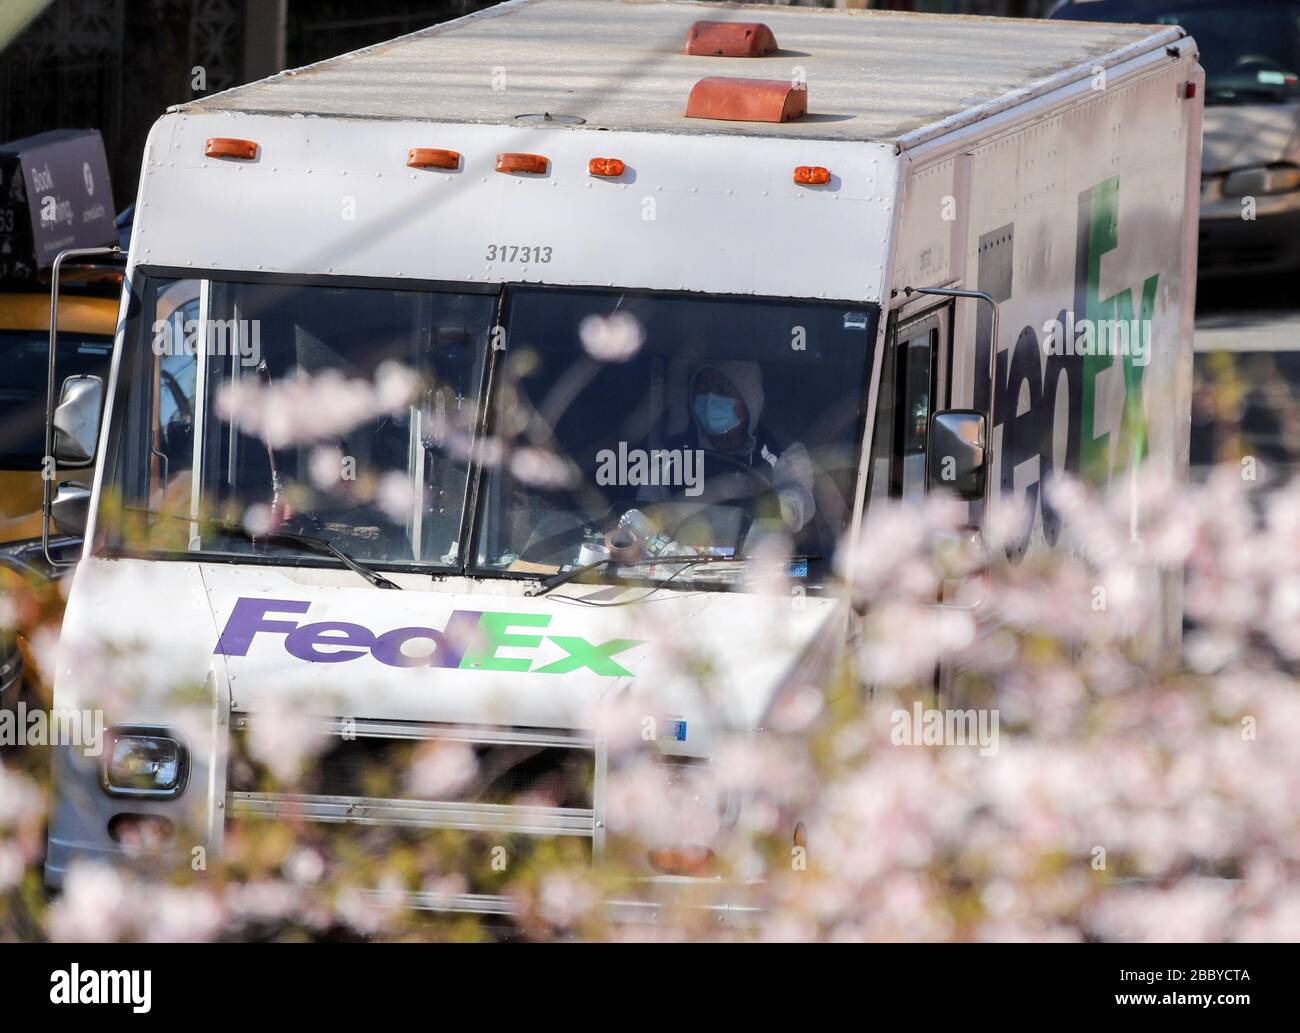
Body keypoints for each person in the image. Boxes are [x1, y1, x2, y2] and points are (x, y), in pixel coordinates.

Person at [634, 359, 816, 546]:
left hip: (756, 567)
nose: (711, 399)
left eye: (723, 391)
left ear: (749, 400)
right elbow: (647, 513)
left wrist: (777, 509)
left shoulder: (783, 452)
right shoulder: (670, 454)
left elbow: (798, 500)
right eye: (704, 390)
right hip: (676, 567)